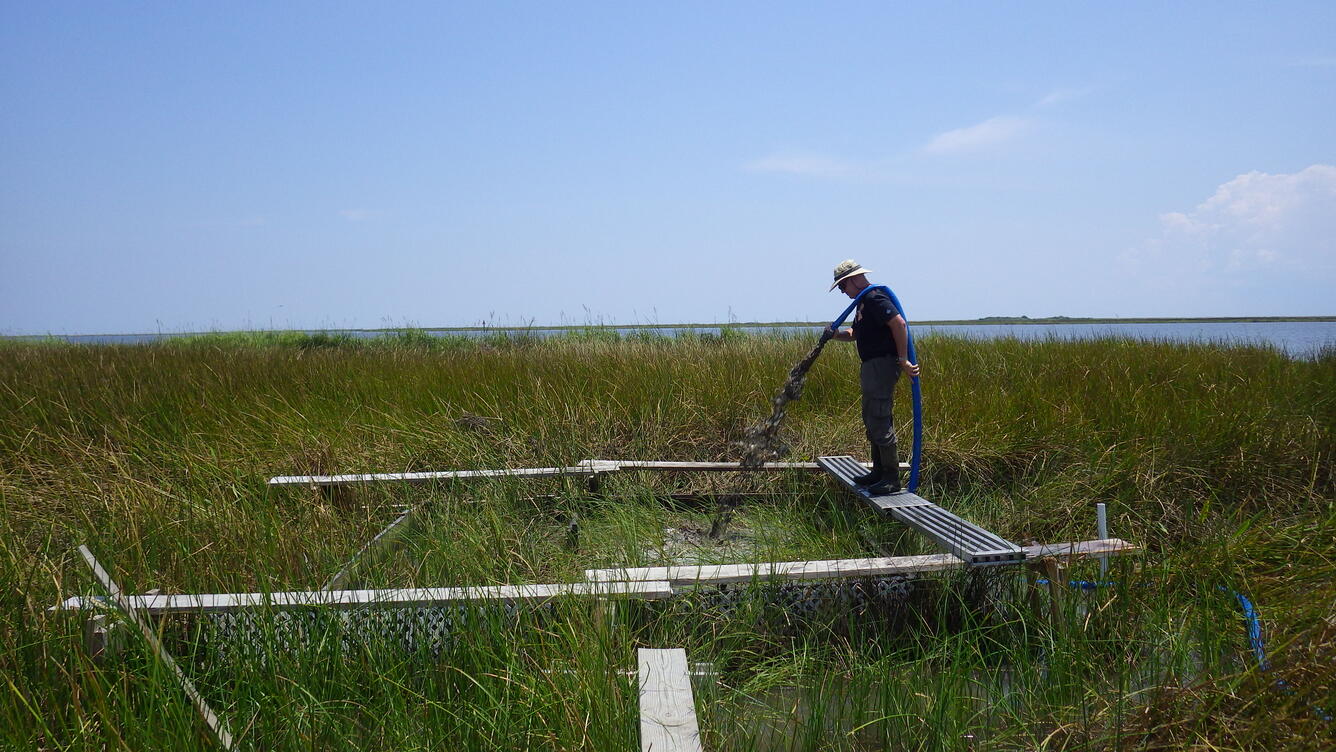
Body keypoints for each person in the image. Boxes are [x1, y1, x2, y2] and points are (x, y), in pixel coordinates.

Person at [827, 259, 920, 494]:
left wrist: (903, 359)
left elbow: (898, 324)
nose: (842, 292)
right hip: (871, 367)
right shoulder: (862, 304)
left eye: (842, 287)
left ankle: (890, 478)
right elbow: (855, 333)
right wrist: (835, 335)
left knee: (879, 417)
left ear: (854, 280)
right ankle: (878, 472)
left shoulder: (874, 297)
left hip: (882, 365)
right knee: (870, 416)